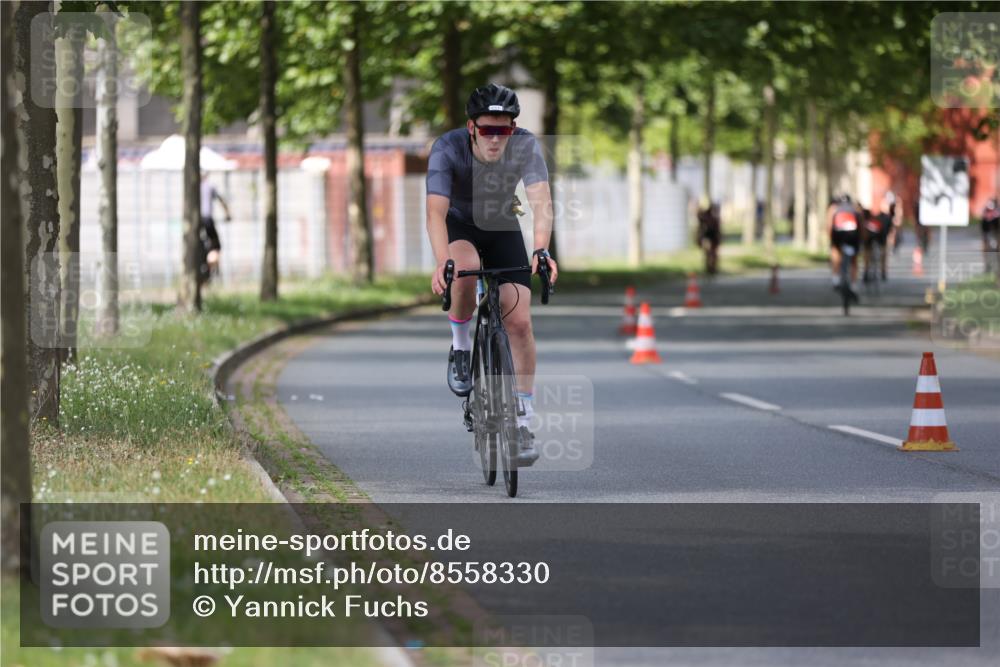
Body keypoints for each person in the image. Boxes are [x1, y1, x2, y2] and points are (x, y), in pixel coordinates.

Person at [425, 83, 557, 464]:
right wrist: (440, 260)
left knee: (519, 320)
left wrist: (541, 248)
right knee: (464, 270)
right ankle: (462, 346)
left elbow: (540, 201)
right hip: (459, 225)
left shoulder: (526, 145)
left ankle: (523, 421)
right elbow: (435, 211)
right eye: (488, 130)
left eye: (504, 130)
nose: (496, 139)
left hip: (501, 224)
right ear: (472, 128)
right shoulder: (447, 148)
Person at [199, 171, 232, 283]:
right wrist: (227, 214)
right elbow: (221, 200)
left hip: (197, 222)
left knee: (200, 245)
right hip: (207, 220)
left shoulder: (192, 187)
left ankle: (203, 267)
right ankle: (210, 268)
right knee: (216, 246)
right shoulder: (210, 186)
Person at [826, 193, 860, 298]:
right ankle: (854, 285)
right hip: (852, 235)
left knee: (836, 252)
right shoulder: (855, 209)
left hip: (838, 234)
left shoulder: (833, 209)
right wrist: (862, 240)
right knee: (854, 259)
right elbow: (861, 226)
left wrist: (831, 240)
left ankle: (835, 279)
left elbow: (829, 226)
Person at [862, 198, 893, 281]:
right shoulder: (886, 217)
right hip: (880, 236)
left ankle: (866, 270)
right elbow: (889, 231)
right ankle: (882, 271)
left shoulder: (866, 215)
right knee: (883, 249)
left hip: (872, 236)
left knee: (868, 250)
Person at [696, 201, 721, 275]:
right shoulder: (705, 216)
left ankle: (713, 268)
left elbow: (717, 229)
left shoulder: (715, 218)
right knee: (708, 253)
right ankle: (709, 267)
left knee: (713, 253)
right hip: (707, 236)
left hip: (713, 237)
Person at [982, 196, 1000, 273]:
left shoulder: (997, 213)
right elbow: (983, 226)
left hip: (995, 232)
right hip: (987, 232)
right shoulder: (985, 212)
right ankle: (987, 265)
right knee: (985, 247)